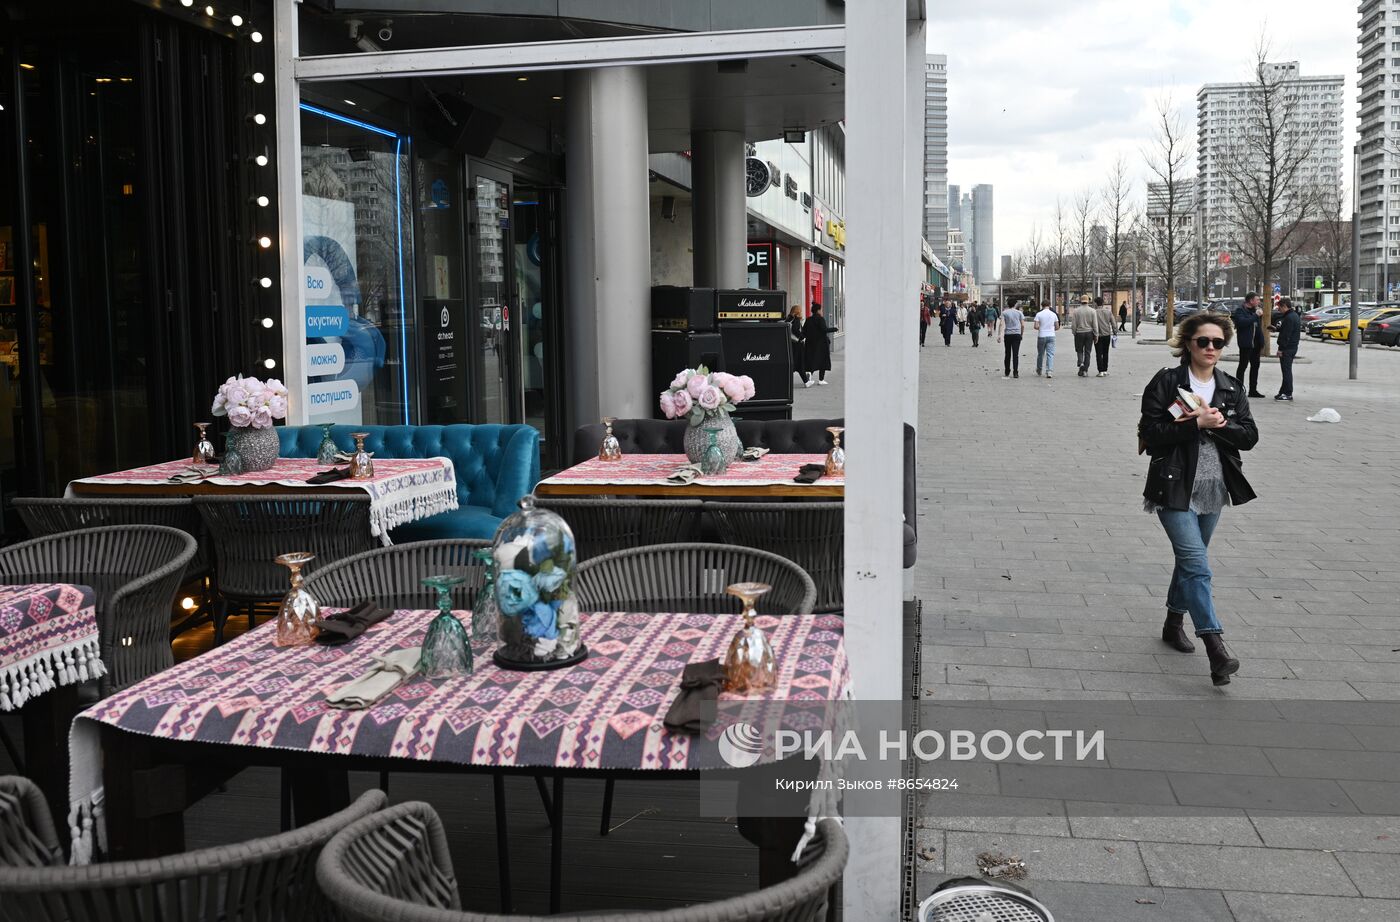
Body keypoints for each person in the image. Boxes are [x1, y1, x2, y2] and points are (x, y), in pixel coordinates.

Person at [1138, 311, 1258, 686]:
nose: (1210, 348)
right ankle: (1216, 647)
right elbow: (1151, 431)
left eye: (1217, 343)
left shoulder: (1230, 387)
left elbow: (1249, 436)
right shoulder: (1167, 382)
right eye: (1203, 341)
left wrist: (1219, 425)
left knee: (1190, 563)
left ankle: (1174, 623)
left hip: (1213, 489)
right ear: (1187, 343)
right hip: (1173, 486)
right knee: (1197, 565)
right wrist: (1194, 424)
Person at [1232, 292, 1267, 398]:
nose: (1259, 301)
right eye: (1257, 299)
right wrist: (1255, 316)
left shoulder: (1255, 311)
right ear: (1251, 300)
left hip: (1256, 345)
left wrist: (1262, 341)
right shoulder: (1240, 311)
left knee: (1255, 367)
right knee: (1243, 366)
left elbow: (1258, 328)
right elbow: (1242, 323)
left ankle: (1253, 390)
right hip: (1246, 344)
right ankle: (1239, 391)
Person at [802, 302, 836, 387]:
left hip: (810, 343)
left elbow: (804, 332)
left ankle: (809, 374)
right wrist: (834, 329)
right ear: (818, 310)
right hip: (821, 344)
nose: (821, 311)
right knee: (822, 361)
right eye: (821, 309)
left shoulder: (808, 319)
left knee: (811, 360)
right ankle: (821, 380)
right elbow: (824, 329)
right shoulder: (820, 319)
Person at [1274, 297, 1300, 401]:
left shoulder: (1289, 318)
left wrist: (1281, 349)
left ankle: (1288, 393)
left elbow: (1286, 335)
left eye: (1279, 307)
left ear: (1284, 306)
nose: (1278, 309)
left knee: (1286, 371)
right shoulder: (1294, 316)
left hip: (1287, 348)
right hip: (1292, 347)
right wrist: (1277, 329)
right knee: (1286, 370)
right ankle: (1282, 391)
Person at [1070, 294, 1097, 377]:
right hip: (1089, 333)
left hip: (1079, 333)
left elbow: (1074, 324)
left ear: (1080, 301)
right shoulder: (1093, 311)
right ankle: (1085, 370)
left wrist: (1074, 332)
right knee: (1088, 352)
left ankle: (1081, 363)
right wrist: (1096, 334)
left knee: (1079, 350)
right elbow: (1095, 324)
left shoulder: (1076, 311)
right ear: (1088, 301)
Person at [997, 299, 1024, 378]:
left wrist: (999, 335)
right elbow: (1022, 325)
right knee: (1016, 354)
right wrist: (1021, 334)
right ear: (1015, 304)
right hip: (1017, 334)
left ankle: (1007, 370)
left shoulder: (1004, 313)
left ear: (1008, 304)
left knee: (1007, 353)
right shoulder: (1019, 313)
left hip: (1008, 334)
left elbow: (1001, 324)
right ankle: (1015, 372)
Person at [1033, 300, 1059, 378]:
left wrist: (1041, 327)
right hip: (1051, 336)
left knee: (1040, 354)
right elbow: (1057, 327)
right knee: (1050, 354)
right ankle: (1049, 371)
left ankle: (1039, 369)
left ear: (1042, 305)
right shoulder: (1053, 314)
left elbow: (1035, 326)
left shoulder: (1039, 314)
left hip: (1042, 335)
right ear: (1050, 305)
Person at [1093, 295, 1115, 377]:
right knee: (1106, 352)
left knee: (1098, 353)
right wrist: (1115, 332)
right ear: (1102, 303)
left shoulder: (1094, 312)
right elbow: (1113, 323)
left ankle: (1100, 371)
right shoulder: (1108, 312)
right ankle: (1105, 370)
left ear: (1096, 304)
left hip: (1097, 335)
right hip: (1107, 335)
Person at [788, 305, 809, 386]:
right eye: (800, 310)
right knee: (799, 363)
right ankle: (806, 381)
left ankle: (806, 381)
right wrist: (802, 337)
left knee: (795, 363)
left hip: (791, 343)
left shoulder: (789, 318)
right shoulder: (796, 320)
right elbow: (795, 330)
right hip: (797, 344)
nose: (801, 312)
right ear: (797, 311)